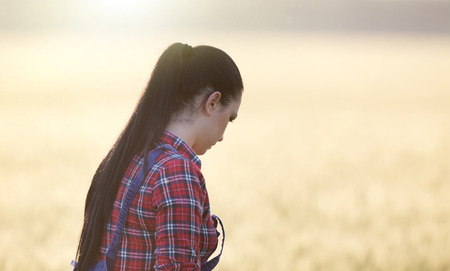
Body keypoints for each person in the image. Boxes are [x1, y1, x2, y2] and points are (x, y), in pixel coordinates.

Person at [74, 43, 243, 270]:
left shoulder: (130, 156)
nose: (223, 136)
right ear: (212, 103)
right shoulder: (176, 172)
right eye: (230, 118)